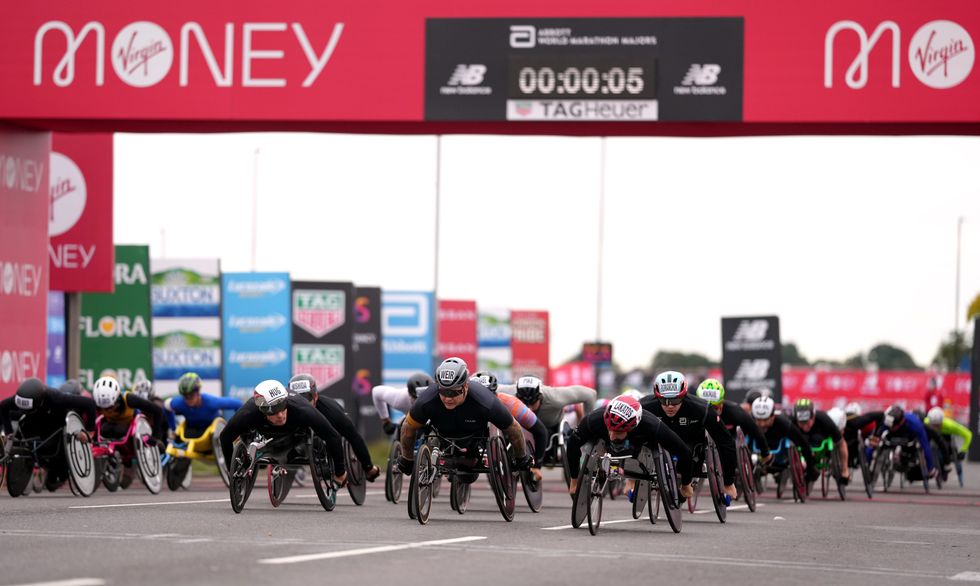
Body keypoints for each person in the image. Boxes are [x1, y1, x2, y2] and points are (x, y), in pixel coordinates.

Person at [396, 357, 530, 483]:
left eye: (453, 393)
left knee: (468, 476)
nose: (447, 398)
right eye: (443, 391)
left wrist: (521, 458)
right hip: (443, 436)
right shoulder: (427, 399)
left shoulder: (485, 400)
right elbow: (408, 427)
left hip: (474, 440)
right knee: (412, 427)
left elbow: (514, 428)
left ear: (465, 386)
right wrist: (407, 458)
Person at [219, 380, 347, 485]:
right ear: (262, 410)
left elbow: (332, 435)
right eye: (273, 411)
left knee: (320, 434)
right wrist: (233, 471)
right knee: (241, 431)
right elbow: (225, 437)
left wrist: (340, 473)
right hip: (264, 435)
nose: (280, 415)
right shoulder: (249, 412)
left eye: (282, 408)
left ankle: (315, 455)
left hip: (296, 436)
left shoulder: (301, 408)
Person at [566, 395, 694, 499]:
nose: (612, 435)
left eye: (618, 431)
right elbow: (572, 444)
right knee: (577, 440)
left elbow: (684, 452)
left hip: (640, 441)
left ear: (632, 427)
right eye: (610, 429)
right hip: (604, 439)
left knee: (645, 447)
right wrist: (574, 480)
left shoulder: (651, 425)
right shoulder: (594, 419)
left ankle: (631, 480)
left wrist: (686, 484)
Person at [640, 371, 738, 501]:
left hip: (690, 442)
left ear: (684, 395)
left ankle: (687, 481)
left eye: (675, 400)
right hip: (657, 441)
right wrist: (631, 478)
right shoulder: (644, 406)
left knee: (692, 456)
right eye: (664, 400)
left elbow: (726, 441)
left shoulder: (702, 409)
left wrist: (729, 481)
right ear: (656, 396)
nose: (669, 406)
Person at [0, 378, 97, 491]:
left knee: (58, 474)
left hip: (55, 428)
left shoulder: (56, 398)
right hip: (32, 423)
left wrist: (89, 432)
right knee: (14, 417)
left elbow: (89, 403)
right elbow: (3, 406)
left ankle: (56, 472)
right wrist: (8, 432)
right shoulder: (20, 399)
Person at [288, 373, 380, 481]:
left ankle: (369, 468)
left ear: (315, 396)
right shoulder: (285, 410)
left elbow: (354, 437)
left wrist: (366, 467)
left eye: (306, 398)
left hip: (331, 420)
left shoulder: (332, 412)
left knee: (352, 434)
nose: (302, 403)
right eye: (298, 398)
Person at [471, 371, 547, 482]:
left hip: (507, 417)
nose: (482, 402)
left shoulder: (511, 404)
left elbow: (541, 432)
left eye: (486, 397)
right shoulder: (458, 399)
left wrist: (537, 466)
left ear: (495, 394)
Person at [695, 378, 771, 464]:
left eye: (714, 407)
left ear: (722, 403)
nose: (710, 412)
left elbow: (755, 431)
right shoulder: (692, 411)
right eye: (705, 407)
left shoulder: (735, 412)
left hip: (730, 439)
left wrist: (765, 453)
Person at [750, 395, 818, 485]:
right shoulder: (749, 421)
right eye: (758, 420)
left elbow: (802, 443)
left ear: (773, 416)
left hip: (779, 455)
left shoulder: (784, 424)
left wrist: (810, 467)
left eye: (765, 420)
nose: (762, 424)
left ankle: (779, 473)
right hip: (757, 451)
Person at [92, 376, 168, 446]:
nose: (108, 410)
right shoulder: (95, 403)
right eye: (104, 408)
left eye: (110, 407)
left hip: (130, 428)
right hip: (110, 425)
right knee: (104, 429)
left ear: (117, 399)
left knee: (118, 430)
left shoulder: (129, 399)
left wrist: (156, 437)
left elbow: (158, 410)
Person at [165, 372, 241, 440]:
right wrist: (173, 428)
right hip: (192, 431)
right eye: (185, 396)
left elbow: (238, 404)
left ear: (198, 392)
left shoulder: (211, 402)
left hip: (213, 432)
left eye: (191, 395)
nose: (188, 399)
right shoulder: (179, 402)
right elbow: (166, 406)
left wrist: (237, 429)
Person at [871, 405, 938, 480]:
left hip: (909, 437)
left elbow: (926, 446)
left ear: (900, 422)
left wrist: (931, 468)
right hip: (892, 435)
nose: (891, 427)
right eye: (890, 425)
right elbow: (876, 436)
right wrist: (870, 451)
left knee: (917, 448)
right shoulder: (888, 421)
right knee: (876, 442)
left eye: (893, 426)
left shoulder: (915, 424)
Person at [791, 398, 850, 483]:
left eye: (807, 422)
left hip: (819, 439)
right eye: (801, 423)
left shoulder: (824, 419)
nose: (804, 426)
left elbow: (841, 443)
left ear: (813, 416)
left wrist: (845, 470)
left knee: (834, 441)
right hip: (803, 440)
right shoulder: (792, 420)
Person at [925, 406, 971, 479]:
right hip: (932, 436)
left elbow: (968, 434)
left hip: (946, 437)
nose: (935, 428)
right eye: (933, 425)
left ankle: (946, 465)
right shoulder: (926, 422)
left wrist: (963, 450)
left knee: (947, 447)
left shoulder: (950, 425)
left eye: (937, 425)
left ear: (942, 421)